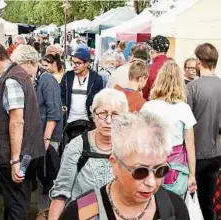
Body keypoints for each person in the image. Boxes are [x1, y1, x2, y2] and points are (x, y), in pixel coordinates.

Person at [60, 112, 190, 220]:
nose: (151, 182)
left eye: (160, 170)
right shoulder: (81, 213)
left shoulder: (175, 207)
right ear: (114, 164)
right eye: (140, 171)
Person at [0, 42, 45, 220]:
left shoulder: (11, 80)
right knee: (15, 202)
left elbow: (17, 121)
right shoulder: (16, 75)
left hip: (16, 155)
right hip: (20, 153)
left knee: (16, 204)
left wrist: (15, 160)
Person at [48, 88, 129, 220]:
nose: (108, 120)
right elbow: (60, 194)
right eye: (103, 113)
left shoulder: (129, 148)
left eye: (115, 115)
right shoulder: (77, 146)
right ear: (93, 114)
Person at [11, 45, 63, 219]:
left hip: (47, 136)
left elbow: (54, 113)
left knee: (46, 176)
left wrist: (46, 139)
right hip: (35, 137)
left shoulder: (47, 80)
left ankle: (45, 212)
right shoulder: (32, 80)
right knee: (36, 174)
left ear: (27, 63)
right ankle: (37, 209)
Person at [141, 62, 197, 198]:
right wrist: (192, 175)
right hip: (177, 169)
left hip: (151, 165)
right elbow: (190, 146)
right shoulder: (184, 108)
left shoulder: (148, 107)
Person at [186, 43, 221, 220]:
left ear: (199, 62)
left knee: (193, 201)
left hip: (196, 153)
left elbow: (186, 123)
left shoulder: (192, 87)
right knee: (209, 200)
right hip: (217, 152)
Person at [61, 43, 103, 143]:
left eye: (78, 63)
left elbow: (99, 98)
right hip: (68, 121)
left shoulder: (96, 78)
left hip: (87, 122)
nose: (74, 65)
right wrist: (63, 104)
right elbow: (61, 93)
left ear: (87, 63)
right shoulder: (67, 76)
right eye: (72, 62)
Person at [143, 35, 170, 100]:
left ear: (153, 50)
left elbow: (144, 93)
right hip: (171, 103)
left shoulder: (150, 69)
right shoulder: (173, 66)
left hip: (152, 104)